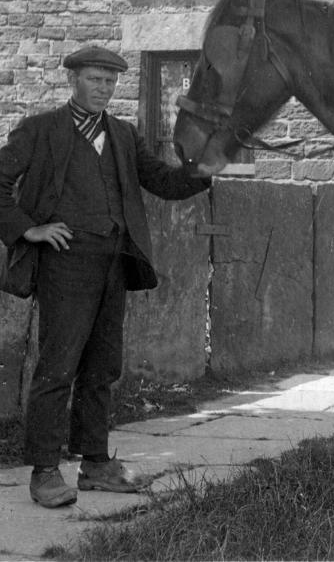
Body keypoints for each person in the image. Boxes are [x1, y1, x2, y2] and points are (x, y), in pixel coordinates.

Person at [0, 46, 210, 508]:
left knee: (102, 368)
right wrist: (28, 229)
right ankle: (45, 471)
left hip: (115, 262)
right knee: (59, 366)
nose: (104, 89)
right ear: (73, 80)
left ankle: (95, 465)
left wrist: (204, 171)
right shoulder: (40, 131)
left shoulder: (122, 134)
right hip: (64, 266)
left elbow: (162, 181)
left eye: (111, 82)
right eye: (95, 80)